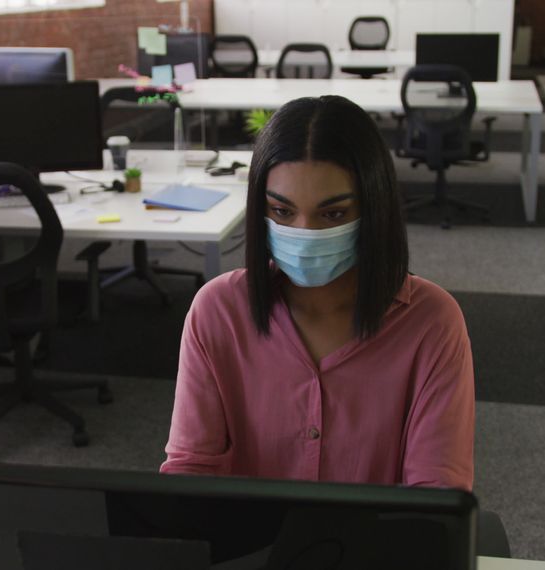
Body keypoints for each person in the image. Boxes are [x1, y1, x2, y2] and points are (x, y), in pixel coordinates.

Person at [161, 96, 474, 490]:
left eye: (334, 214)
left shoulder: (431, 323)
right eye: (282, 211)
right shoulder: (218, 311)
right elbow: (191, 472)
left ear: (374, 209)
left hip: (381, 550)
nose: (305, 233)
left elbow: (437, 494)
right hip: (249, 549)